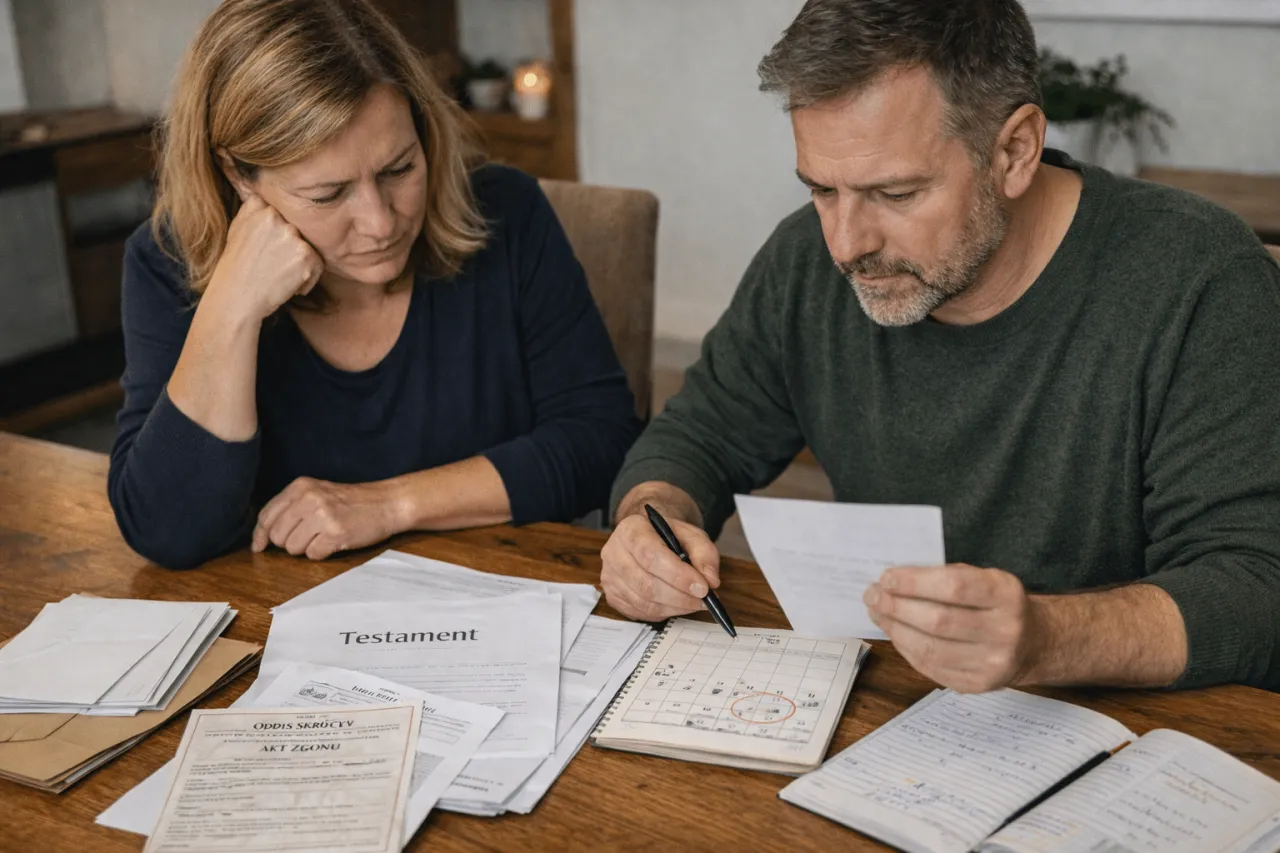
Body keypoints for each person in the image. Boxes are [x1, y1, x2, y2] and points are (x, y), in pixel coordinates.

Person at [601, 0, 1280, 692]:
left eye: (895, 193)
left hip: (1141, 734)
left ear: (1014, 151)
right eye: (821, 190)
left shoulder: (1199, 278)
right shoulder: (804, 260)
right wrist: (650, 520)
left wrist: (1046, 637)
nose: (846, 244)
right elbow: (703, 432)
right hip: (895, 710)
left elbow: (1257, 586)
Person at [109, 0, 642, 570]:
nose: (382, 222)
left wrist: (389, 504)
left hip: (503, 595)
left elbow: (602, 443)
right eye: (328, 194)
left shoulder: (509, 214)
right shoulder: (167, 260)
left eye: (398, 169)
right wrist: (231, 308)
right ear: (239, 176)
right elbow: (166, 530)